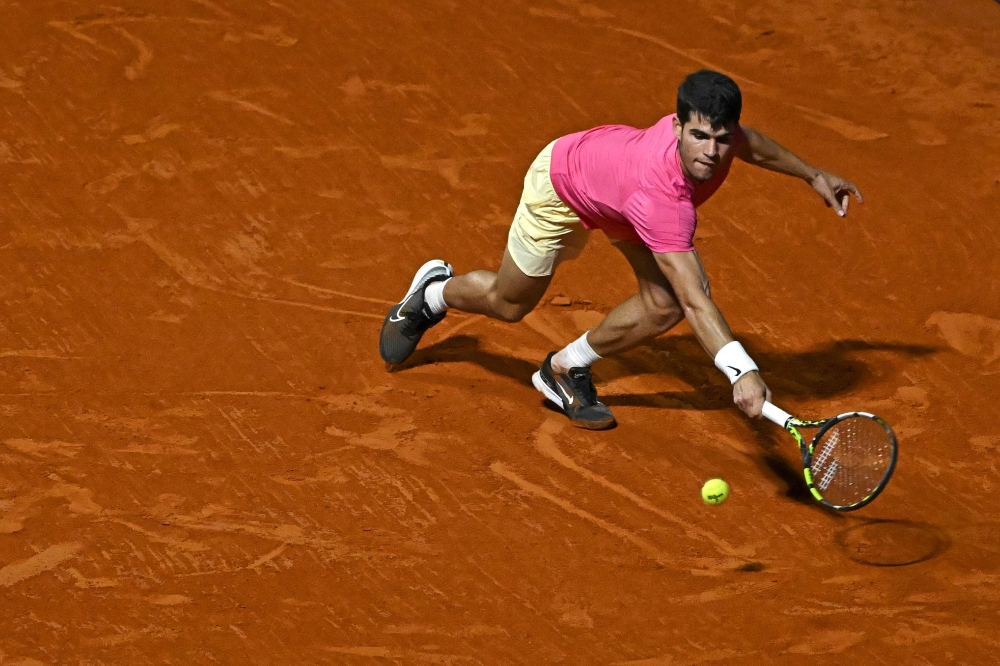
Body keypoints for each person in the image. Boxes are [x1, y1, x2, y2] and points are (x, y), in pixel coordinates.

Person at [378, 70, 862, 430]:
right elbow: (697, 298)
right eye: (698, 137)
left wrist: (814, 175)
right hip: (564, 183)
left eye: (719, 139)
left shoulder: (721, 137)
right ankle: (432, 295)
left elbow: (751, 145)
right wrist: (742, 371)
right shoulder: (664, 201)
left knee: (662, 305)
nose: (711, 154)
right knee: (510, 304)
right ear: (676, 126)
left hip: (619, 197)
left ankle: (564, 369)